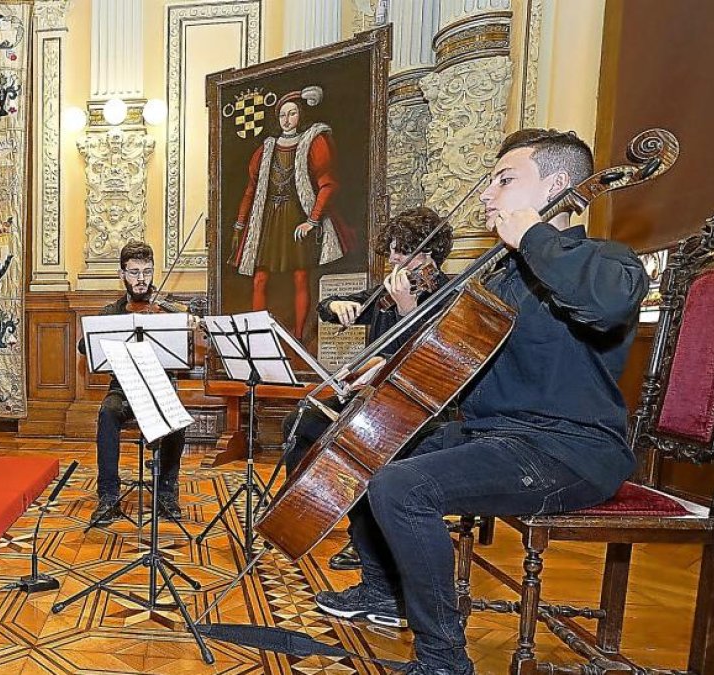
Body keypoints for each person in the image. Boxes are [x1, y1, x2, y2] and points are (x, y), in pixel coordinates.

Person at [313, 129, 647, 675]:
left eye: (504, 180)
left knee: (403, 486)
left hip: (569, 449)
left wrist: (535, 236)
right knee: (366, 445)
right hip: (496, 437)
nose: (488, 195)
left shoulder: (606, 260)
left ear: (558, 186)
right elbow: (455, 360)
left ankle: (443, 661)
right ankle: (382, 591)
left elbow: (605, 304)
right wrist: (388, 364)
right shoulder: (504, 277)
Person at [281, 206, 452, 571]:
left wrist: (409, 309)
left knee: (355, 445)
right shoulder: (387, 291)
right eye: (390, 249)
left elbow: (432, 356)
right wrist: (336, 304)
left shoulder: (449, 294)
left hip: (418, 407)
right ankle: (303, 508)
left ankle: (367, 541)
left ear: (428, 255)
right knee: (302, 419)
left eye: (400, 251)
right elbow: (330, 309)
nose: (391, 258)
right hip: (375, 398)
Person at [229, 86, 353, 340]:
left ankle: (298, 336)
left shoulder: (313, 141)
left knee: (300, 277)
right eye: (283, 115)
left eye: (292, 113)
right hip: (270, 220)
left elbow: (327, 184)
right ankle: (258, 333)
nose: (287, 119)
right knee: (260, 278)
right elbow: (251, 191)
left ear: (300, 115)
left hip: (297, 216)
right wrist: (240, 224)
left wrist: (312, 220)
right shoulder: (266, 149)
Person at [80, 241, 186, 525]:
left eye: (147, 272)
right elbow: (84, 346)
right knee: (107, 412)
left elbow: (190, 347)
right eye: (134, 272)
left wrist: (188, 326)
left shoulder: (167, 310)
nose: (142, 279)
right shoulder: (112, 312)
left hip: (159, 387)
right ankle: (108, 495)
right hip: (123, 389)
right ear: (122, 274)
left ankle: (166, 491)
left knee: (177, 417)